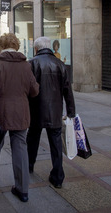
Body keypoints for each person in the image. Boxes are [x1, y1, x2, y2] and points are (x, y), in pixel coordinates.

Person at [0, 33, 39, 202]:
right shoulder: (25, 65)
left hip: (0, 111)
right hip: (21, 111)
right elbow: (34, 91)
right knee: (20, 147)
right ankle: (22, 189)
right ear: (16, 46)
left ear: (0, 45)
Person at [27, 36, 75, 189]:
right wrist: (71, 111)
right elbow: (68, 90)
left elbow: (27, 90)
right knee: (56, 144)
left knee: (32, 139)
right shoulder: (60, 64)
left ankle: (29, 165)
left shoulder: (32, 63)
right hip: (55, 111)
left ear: (36, 49)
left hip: (36, 110)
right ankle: (58, 177)